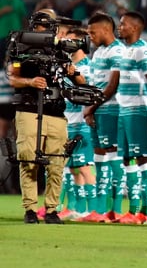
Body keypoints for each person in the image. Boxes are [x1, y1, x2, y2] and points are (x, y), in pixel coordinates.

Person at [9, 11, 76, 223]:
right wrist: (30, 82)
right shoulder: (20, 48)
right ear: (34, 27)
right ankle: (30, 209)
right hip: (29, 109)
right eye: (43, 26)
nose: (47, 29)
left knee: (57, 163)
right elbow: (13, 76)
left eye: (50, 25)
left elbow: (74, 75)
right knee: (28, 159)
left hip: (56, 111)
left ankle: (52, 210)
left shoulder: (61, 50)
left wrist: (75, 73)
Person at [115, 11, 147, 225]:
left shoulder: (143, 51)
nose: (119, 28)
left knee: (143, 158)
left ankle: (145, 212)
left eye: (123, 25)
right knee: (127, 160)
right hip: (124, 110)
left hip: (140, 110)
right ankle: (132, 211)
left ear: (134, 28)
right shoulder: (125, 51)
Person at [84, 12, 125, 223]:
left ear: (106, 30)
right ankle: (100, 209)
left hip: (112, 110)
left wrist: (91, 108)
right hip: (98, 110)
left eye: (93, 31)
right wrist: (90, 108)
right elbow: (94, 84)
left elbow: (112, 86)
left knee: (113, 159)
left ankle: (115, 209)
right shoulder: (98, 52)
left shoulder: (118, 51)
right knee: (99, 160)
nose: (89, 35)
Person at [62, 28, 96, 221]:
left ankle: (94, 209)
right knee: (74, 169)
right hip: (68, 122)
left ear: (82, 43)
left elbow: (88, 92)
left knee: (84, 167)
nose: (68, 44)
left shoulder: (87, 67)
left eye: (72, 41)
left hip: (82, 123)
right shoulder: (67, 65)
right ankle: (80, 209)